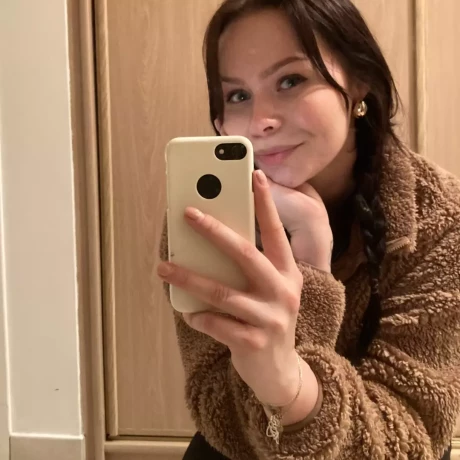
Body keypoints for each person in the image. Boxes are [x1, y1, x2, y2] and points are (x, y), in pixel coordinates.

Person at [157, 0, 460, 458]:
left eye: (290, 81)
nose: (261, 121)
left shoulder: (438, 219)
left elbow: (411, 439)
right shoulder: (208, 215)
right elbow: (218, 413)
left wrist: (294, 372)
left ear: (359, 81)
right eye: (237, 95)